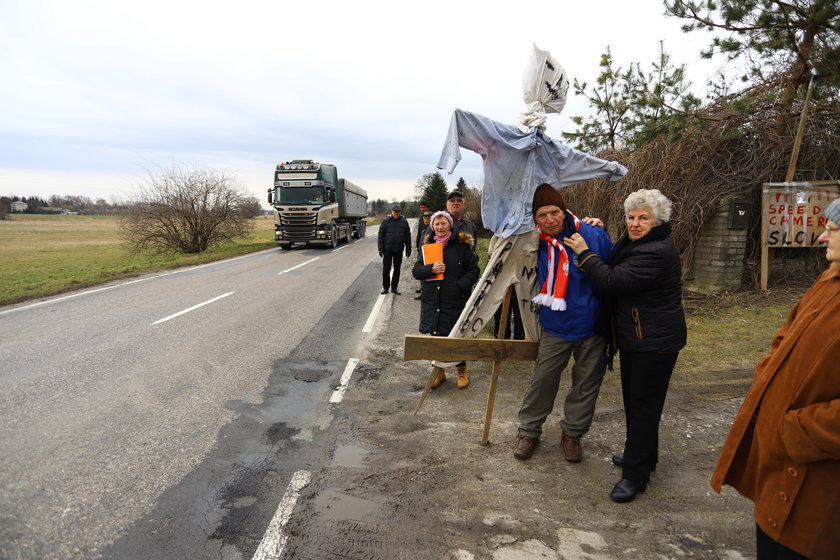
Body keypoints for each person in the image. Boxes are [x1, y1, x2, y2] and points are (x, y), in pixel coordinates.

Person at [708, 198, 840, 560]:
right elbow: (786, 333)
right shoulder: (830, 280)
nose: (822, 238)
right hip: (780, 473)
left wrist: (798, 430)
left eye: (833, 230)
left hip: (818, 486)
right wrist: (769, 372)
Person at [564, 188, 686, 503]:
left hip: (654, 342)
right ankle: (644, 457)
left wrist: (584, 251)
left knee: (643, 407)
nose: (634, 223)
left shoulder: (656, 251)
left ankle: (635, 475)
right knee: (638, 404)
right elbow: (616, 255)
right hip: (640, 338)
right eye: (631, 217)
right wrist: (599, 228)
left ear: (657, 220)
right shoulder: (641, 241)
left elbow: (614, 280)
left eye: (643, 218)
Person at [513, 183, 613, 465]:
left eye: (554, 212)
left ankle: (572, 434)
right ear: (535, 219)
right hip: (555, 324)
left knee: (586, 382)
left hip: (591, 325)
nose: (550, 220)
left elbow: (613, 270)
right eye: (542, 215)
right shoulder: (533, 241)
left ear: (564, 210)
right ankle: (529, 431)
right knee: (543, 380)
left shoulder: (591, 233)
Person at [412, 210, 480, 389]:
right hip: (433, 299)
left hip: (454, 298)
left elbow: (474, 270)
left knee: (455, 335)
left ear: (450, 225)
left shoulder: (462, 245)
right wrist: (430, 270)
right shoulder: (427, 246)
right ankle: (439, 371)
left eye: (443, 223)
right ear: (432, 226)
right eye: (436, 224)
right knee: (436, 335)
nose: (440, 227)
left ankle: (461, 369)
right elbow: (416, 271)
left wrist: (460, 286)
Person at [378, 203, 411, 295]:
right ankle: (385, 287)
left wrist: (408, 249)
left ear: (400, 212)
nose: (396, 213)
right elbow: (380, 236)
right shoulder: (386, 221)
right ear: (391, 212)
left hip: (399, 250)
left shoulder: (404, 222)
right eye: (394, 212)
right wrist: (380, 249)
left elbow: (408, 237)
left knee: (397, 269)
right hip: (387, 250)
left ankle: (394, 287)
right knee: (386, 269)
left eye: (398, 212)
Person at [415, 210, 433, 300]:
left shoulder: (432, 230)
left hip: (429, 254)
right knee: (422, 275)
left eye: (428, 218)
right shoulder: (424, 229)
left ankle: (424, 293)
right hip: (422, 253)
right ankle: (423, 290)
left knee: (426, 276)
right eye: (425, 218)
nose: (426, 220)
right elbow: (421, 242)